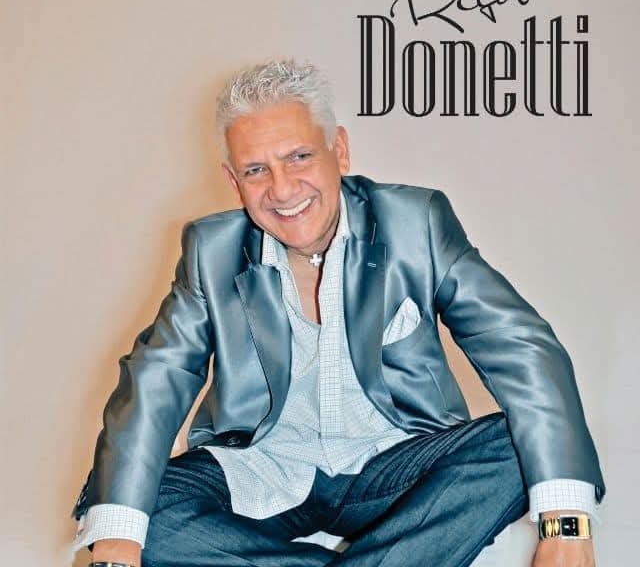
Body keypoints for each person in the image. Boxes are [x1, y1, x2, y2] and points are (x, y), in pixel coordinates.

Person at [72, 59, 605, 567]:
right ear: (234, 182)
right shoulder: (210, 250)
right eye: (256, 170)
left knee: (517, 443)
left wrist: (567, 526)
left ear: (340, 151)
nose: (282, 189)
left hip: (397, 468)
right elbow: (157, 378)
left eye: (299, 157)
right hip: (263, 466)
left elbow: (521, 347)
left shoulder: (415, 222)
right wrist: (117, 545)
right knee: (130, 507)